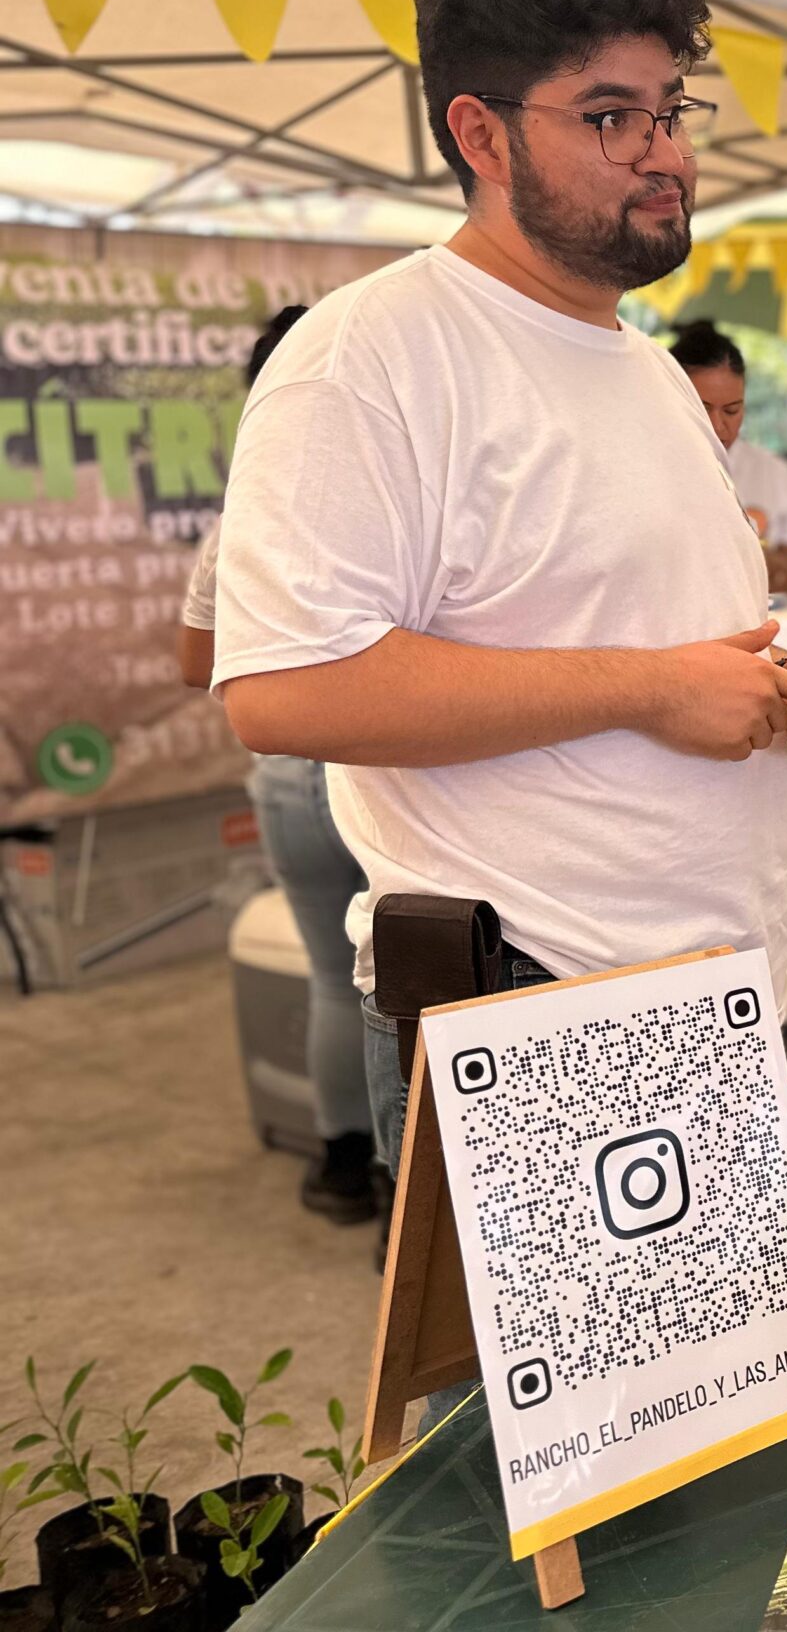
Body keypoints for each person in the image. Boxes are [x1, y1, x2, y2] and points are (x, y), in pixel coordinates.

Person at [211, 0, 787, 1206]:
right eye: (608, 118)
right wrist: (652, 687)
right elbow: (285, 690)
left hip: (701, 991)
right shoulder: (370, 358)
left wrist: (765, 685)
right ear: (479, 132)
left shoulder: (641, 365)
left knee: (717, 1412)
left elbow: (623, 630)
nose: (665, 156)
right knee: (546, 1420)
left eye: (674, 109)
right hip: (527, 1015)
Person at [179, 304, 379, 1228]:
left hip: (285, 775)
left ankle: (342, 1166)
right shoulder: (378, 494)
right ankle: (403, 1201)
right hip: (381, 770)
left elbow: (197, 664)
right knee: (409, 979)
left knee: (336, 975)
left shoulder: (238, 519)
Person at [668, 318, 787, 603]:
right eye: (702, 409)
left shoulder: (772, 473)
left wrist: (767, 561)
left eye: (732, 410)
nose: (718, 426)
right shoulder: (648, 472)